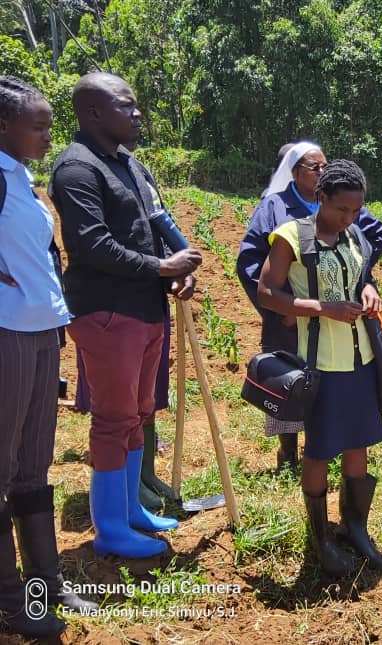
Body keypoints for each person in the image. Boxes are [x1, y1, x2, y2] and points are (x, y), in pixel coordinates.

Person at [50, 72, 201, 559]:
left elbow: (154, 224)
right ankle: (110, 526)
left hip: (145, 307)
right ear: (93, 113)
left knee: (138, 412)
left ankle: (132, 510)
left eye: (136, 106)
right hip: (108, 312)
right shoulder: (76, 169)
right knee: (113, 420)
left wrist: (180, 270)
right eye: (125, 106)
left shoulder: (129, 165)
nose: (137, 114)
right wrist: (161, 265)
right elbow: (92, 246)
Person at [257, 159, 382, 575]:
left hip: (360, 358)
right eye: (341, 210)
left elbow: (360, 278)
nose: (349, 218)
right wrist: (321, 309)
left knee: (358, 443)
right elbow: (266, 292)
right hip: (320, 364)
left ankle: (356, 527)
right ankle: (321, 539)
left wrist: (369, 291)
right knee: (318, 450)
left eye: (356, 211)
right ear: (321, 198)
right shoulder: (292, 237)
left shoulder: (355, 238)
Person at [0, 75, 94, 639]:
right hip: (6, 334)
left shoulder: (23, 181)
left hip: (39, 335)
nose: (47, 133)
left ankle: (44, 584)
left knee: (34, 468)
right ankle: (11, 601)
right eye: (38, 125)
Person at [237, 142, 382, 472]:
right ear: (294, 171)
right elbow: (251, 265)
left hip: (334, 326)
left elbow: (372, 236)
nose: (320, 171)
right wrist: (285, 311)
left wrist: (361, 282)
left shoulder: (344, 206)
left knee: (328, 394)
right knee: (290, 388)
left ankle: (326, 448)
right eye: (312, 166)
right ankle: (289, 454)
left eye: (324, 165)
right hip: (289, 318)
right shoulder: (276, 206)